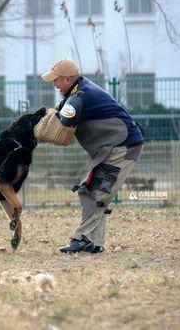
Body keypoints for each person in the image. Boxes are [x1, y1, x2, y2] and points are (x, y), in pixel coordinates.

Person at [40, 58, 144, 254]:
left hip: (122, 145)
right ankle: (93, 242)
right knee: (95, 191)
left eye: (56, 80)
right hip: (117, 144)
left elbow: (63, 121)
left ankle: (83, 239)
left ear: (67, 79)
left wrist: (37, 127)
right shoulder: (78, 90)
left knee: (95, 192)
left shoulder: (80, 95)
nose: (53, 84)